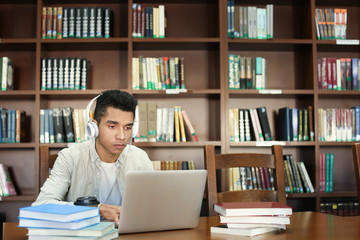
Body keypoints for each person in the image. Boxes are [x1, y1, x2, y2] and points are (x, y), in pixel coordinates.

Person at [32, 90, 153, 225]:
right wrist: (96, 209)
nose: (122, 136)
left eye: (128, 128)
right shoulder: (70, 157)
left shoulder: (140, 158)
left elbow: (153, 205)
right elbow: (40, 206)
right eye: (112, 126)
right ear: (94, 127)